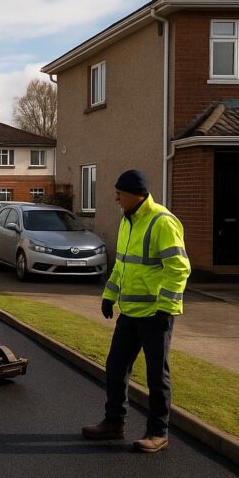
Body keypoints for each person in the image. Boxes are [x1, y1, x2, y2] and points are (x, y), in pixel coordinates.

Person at [82, 169, 190, 453]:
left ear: (135, 194)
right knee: (115, 367)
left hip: (156, 315)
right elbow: (122, 264)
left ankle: (158, 433)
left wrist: (165, 309)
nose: (116, 198)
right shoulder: (127, 220)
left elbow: (178, 268)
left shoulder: (162, 221)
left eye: (120, 193)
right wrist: (109, 296)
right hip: (130, 312)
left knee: (156, 376)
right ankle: (114, 422)